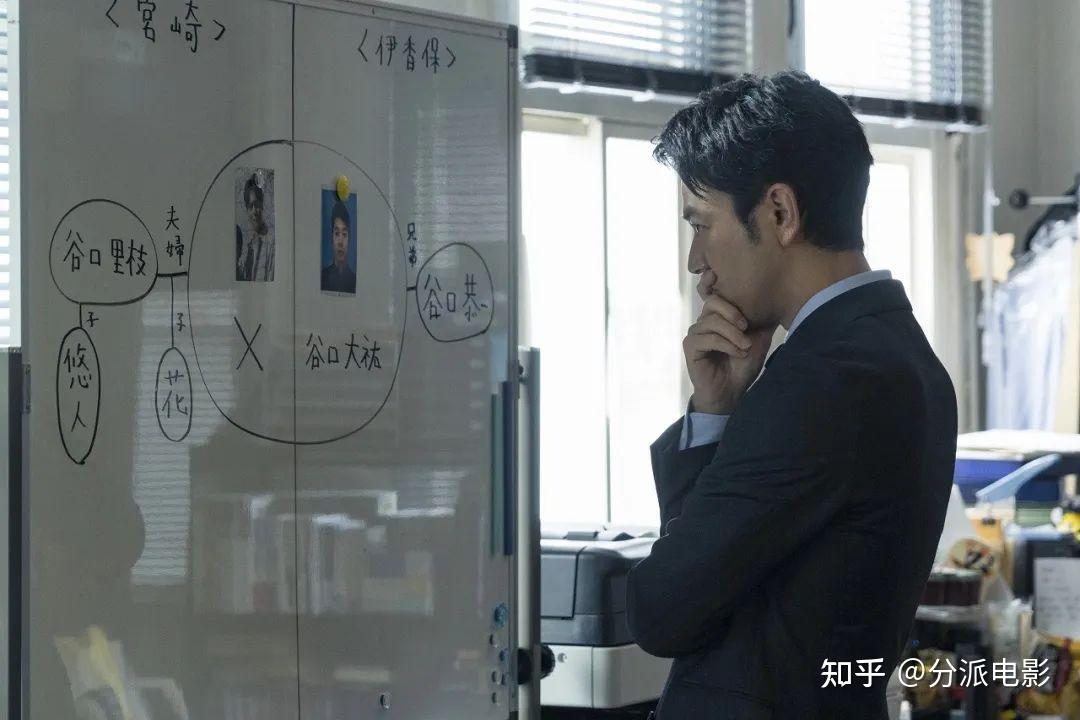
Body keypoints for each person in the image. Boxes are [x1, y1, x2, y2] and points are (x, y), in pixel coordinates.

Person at [625, 71, 957, 719]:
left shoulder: (822, 378)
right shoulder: (899, 352)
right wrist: (717, 411)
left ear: (779, 212)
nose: (696, 260)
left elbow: (663, 609)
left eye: (702, 224)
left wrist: (718, 424)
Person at [235, 173, 275, 282]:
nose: (254, 212)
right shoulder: (248, 250)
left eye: (256, 204)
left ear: (262, 205)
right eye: (250, 206)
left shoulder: (272, 246)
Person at [321, 199, 356, 293]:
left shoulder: (354, 281)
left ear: (349, 239)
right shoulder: (322, 277)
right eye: (337, 233)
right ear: (331, 238)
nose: (340, 242)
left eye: (344, 234)